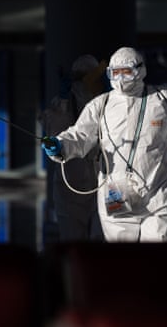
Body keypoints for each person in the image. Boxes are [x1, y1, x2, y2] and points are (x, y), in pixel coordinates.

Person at [41, 46, 167, 242]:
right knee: (121, 264)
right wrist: (61, 145)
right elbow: (80, 135)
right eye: (115, 72)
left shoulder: (162, 98)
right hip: (116, 195)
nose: (120, 78)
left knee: (161, 260)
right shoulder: (100, 105)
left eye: (126, 72)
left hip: (156, 194)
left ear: (140, 70)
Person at [38, 54, 108, 242]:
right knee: (74, 244)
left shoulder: (108, 106)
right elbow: (56, 130)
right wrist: (62, 101)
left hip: (101, 187)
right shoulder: (63, 106)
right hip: (69, 189)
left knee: (100, 239)